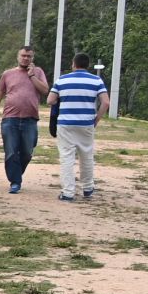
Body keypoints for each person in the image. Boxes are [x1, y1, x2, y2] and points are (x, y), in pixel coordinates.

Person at [0, 45, 50, 193]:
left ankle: (16, 174)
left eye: (29, 56)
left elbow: (45, 91)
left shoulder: (38, 72)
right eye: (23, 56)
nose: (26, 58)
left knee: (27, 151)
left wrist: (32, 76)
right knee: (11, 151)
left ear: (32, 58)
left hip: (30, 120)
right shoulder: (8, 74)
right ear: (18, 56)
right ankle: (15, 182)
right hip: (10, 119)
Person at [48, 52, 110, 201]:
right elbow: (106, 103)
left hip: (65, 123)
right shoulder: (96, 80)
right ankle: (88, 187)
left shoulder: (62, 80)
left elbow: (50, 100)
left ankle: (68, 192)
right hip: (86, 123)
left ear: (73, 64)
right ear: (87, 65)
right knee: (86, 155)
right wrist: (96, 119)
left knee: (67, 157)